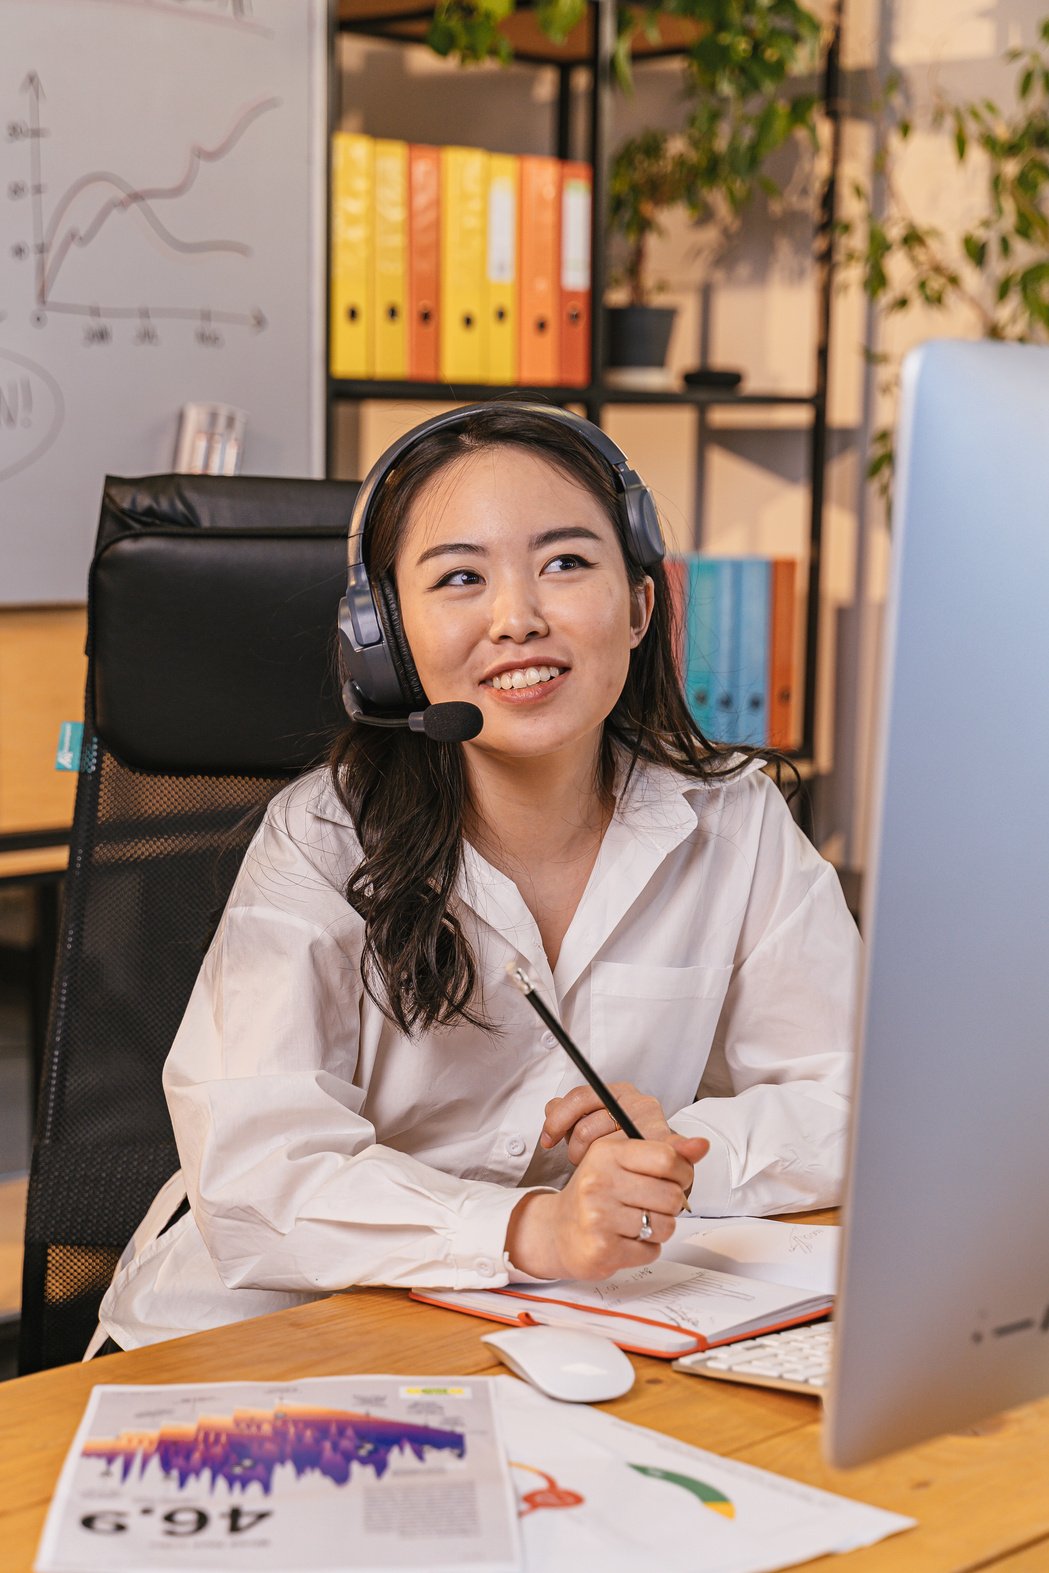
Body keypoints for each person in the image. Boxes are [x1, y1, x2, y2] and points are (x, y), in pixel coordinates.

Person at [91, 403, 859, 1353]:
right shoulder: (324, 838)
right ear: (386, 642)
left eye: (566, 562)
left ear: (640, 604)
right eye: (459, 576)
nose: (518, 617)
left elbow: (852, 1099)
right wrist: (532, 1229)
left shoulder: (733, 821)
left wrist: (681, 1163)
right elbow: (255, 1162)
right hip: (282, 1331)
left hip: (567, 1329)